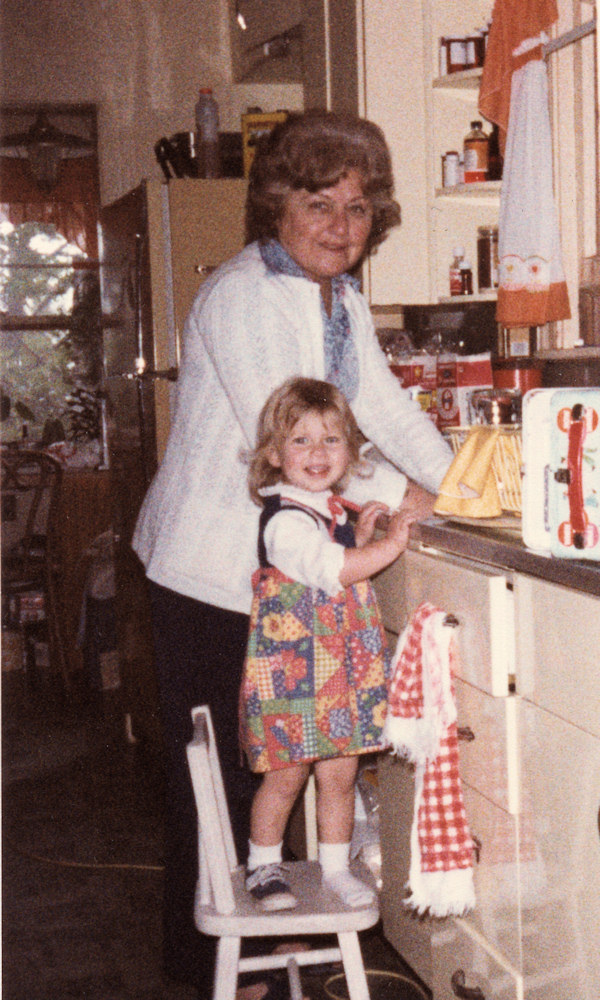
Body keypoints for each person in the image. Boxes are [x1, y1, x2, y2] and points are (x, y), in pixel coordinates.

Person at [132, 109, 453, 992]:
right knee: (226, 794)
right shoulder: (241, 293)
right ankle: (204, 977)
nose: (339, 226)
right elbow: (288, 447)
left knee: (276, 775)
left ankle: (262, 961)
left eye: (356, 208)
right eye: (320, 203)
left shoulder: (336, 299)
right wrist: (403, 495)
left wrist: (462, 481)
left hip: (284, 582)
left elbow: (380, 409)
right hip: (210, 576)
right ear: (278, 205)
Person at [241, 377, 415, 912]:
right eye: (300, 441)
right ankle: (263, 867)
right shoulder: (285, 520)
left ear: (349, 449)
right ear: (273, 453)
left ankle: (336, 868)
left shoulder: (324, 508)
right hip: (294, 674)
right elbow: (331, 570)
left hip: (335, 672)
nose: (318, 453)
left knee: (338, 777)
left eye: (331, 441)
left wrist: (358, 536)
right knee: (285, 778)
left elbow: (337, 552)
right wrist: (390, 544)